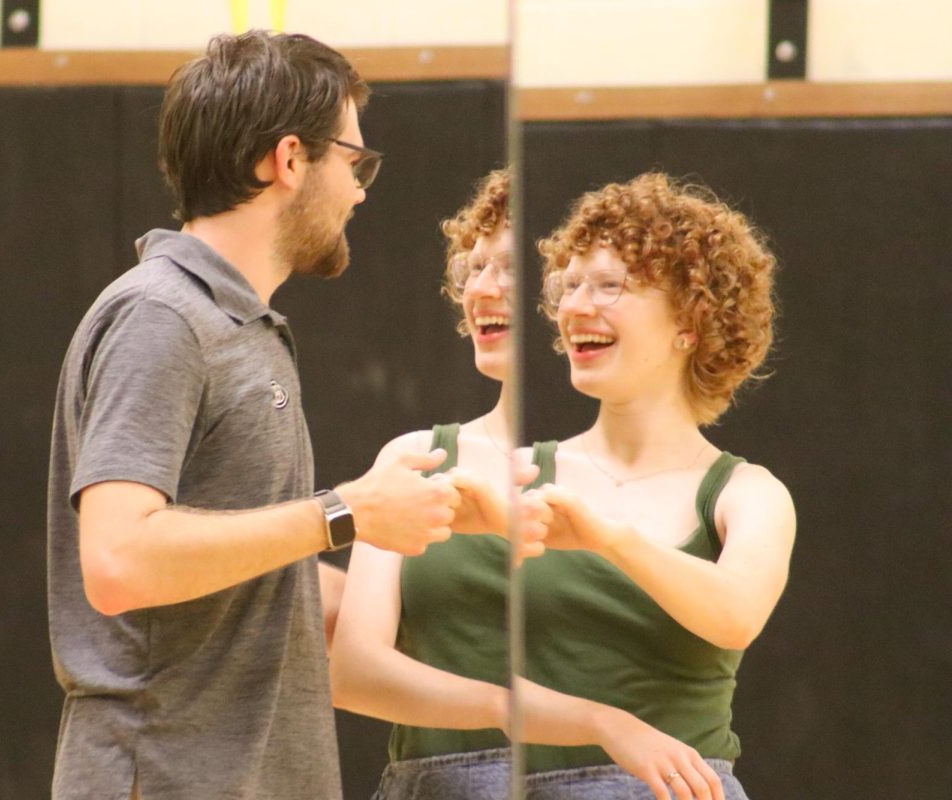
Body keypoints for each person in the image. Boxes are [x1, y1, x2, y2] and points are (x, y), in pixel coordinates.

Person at [46, 31, 507, 800]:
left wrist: (431, 585)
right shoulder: (160, 315)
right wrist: (347, 511)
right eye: (353, 160)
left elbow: (250, 580)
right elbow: (119, 561)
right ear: (289, 160)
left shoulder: (243, 328)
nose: (361, 189)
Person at [330, 169, 726, 800]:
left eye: (510, 269)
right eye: (473, 269)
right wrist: (557, 716)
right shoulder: (419, 457)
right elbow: (353, 671)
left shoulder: (664, 475)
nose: (483, 290)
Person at [521, 172, 797, 798]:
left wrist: (608, 538)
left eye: (610, 286)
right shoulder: (515, 471)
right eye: (570, 286)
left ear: (691, 322)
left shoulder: (747, 493)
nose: (576, 307)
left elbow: (736, 615)